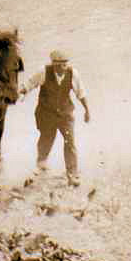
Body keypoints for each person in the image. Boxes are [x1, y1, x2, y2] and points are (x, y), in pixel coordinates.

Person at [18, 50, 90, 187]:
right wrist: (21, 93)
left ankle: (72, 174)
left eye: (65, 65)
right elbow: (29, 84)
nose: (63, 68)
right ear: (54, 65)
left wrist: (87, 110)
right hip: (46, 113)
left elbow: (81, 93)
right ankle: (40, 164)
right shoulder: (43, 71)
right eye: (60, 65)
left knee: (70, 141)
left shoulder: (73, 73)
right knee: (47, 137)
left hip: (65, 113)